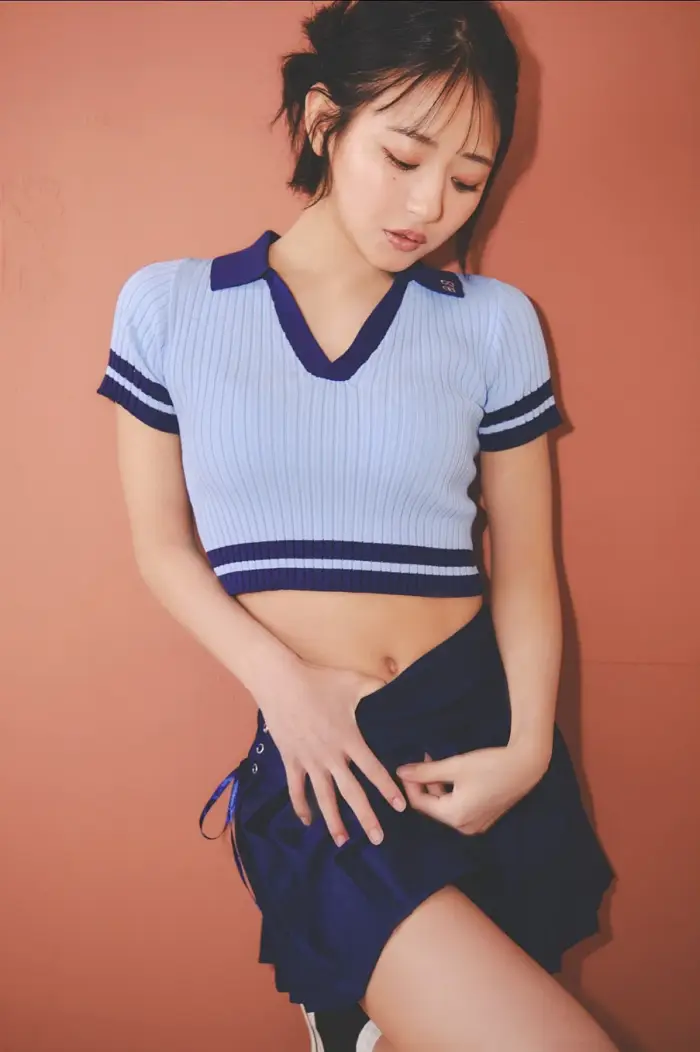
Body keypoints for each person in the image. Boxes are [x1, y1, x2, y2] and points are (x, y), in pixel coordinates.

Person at [96, 2, 619, 1049]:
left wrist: (524, 751)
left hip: (482, 738)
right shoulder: (170, 307)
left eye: (467, 179)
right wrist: (284, 689)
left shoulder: (493, 324)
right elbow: (160, 545)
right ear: (324, 120)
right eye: (405, 156)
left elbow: (526, 566)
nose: (431, 205)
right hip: (324, 762)